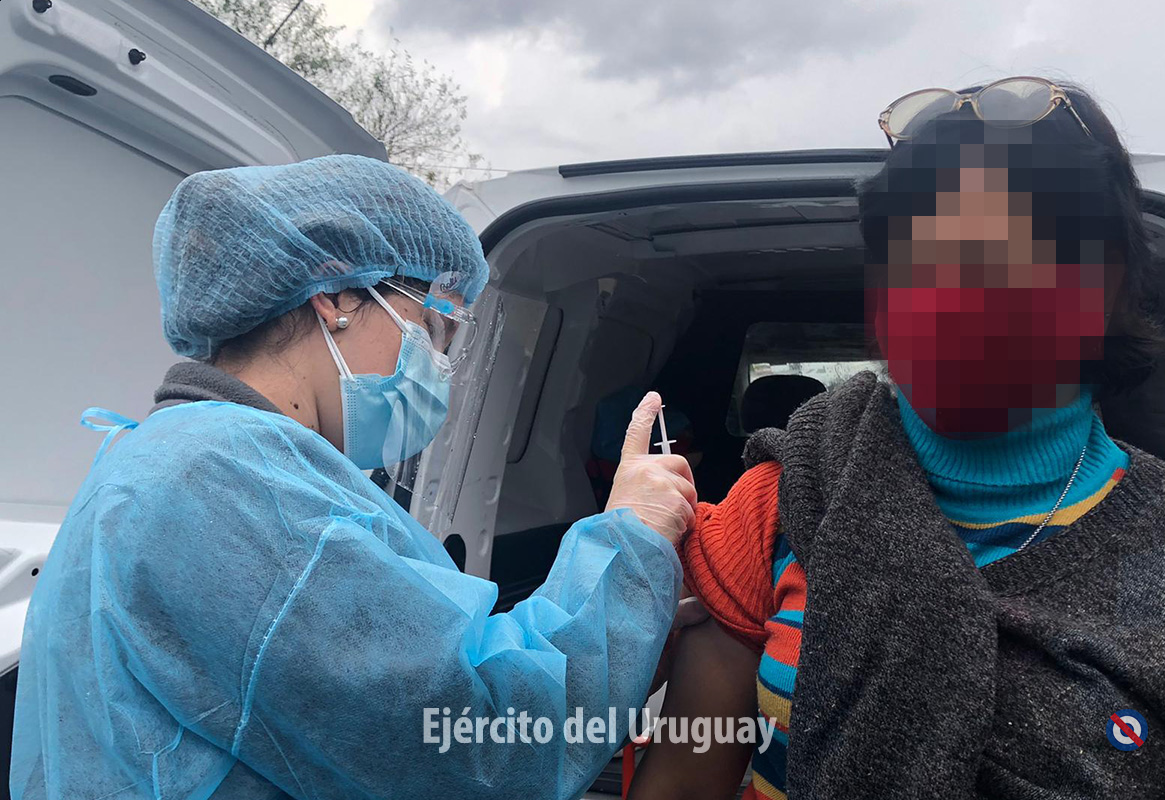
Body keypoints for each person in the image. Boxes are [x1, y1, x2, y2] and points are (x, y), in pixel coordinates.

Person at [10, 155, 698, 800]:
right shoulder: (224, 485)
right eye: (431, 326)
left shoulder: (175, 456)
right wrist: (631, 541)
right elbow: (478, 744)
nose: (439, 363)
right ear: (336, 297)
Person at [629, 77, 1165, 799]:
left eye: (986, 255)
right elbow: (683, 779)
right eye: (908, 257)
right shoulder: (788, 494)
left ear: (1099, 284)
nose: (937, 297)